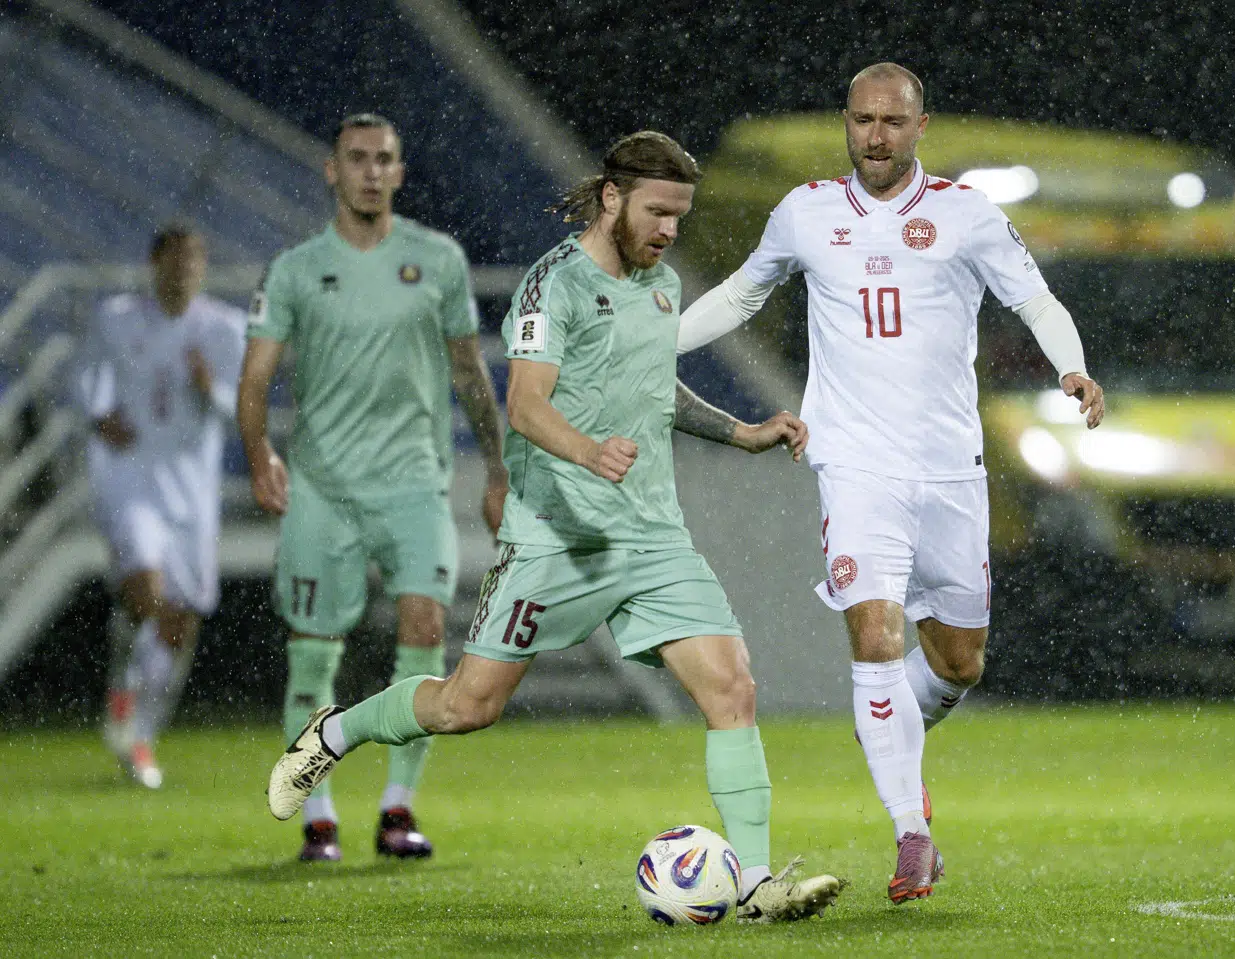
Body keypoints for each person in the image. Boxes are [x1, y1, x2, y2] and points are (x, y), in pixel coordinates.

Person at [267, 130, 845, 922]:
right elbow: (525, 405)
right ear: (612, 198)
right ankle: (338, 730)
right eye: (658, 212)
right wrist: (588, 451)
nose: (670, 230)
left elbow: (656, 388)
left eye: (680, 215)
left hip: (650, 537)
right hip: (557, 537)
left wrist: (740, 432)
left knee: (732, 688)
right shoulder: (553, 285)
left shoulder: (664, 285)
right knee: (468, 705)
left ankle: (752, 883)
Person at [676, 63, 1105, 902]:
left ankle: (891, 730)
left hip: (950, 467)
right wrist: (656, 347)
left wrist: (1074, 368)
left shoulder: (965, 215)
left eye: (892, 122)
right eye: (863, 120)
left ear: (920, 126)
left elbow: (1037, 300)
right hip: (853, 462)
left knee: (959, 662)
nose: (876, 136)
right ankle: (912, 831)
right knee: (873, 637)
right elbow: (740, 294)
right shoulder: (805, 212)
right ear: (847, 121)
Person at [239, 113, 509, 863]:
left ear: (399, 171)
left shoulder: (438, 259)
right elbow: (255, 376)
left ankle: (397, 808)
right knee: (313, 651)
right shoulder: (295, 267)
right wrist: (259, 452)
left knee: (424, 627)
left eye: (382, 159)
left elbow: (467, 370)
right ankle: (317, 813)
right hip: (322, 487)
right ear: (332, 171)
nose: (368, 171)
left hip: (415, 485)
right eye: (355, 159)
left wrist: (497, 465)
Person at [79, 224, 246, 789]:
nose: (185, 270)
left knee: (180, 618)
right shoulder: (117, 318)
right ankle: (125, 700)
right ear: (155, 263)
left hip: (192, 493)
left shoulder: (224, 328)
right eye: (175, 260)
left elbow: (239, 407)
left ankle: (141, 733)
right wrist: (98, 414)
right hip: (131, 477)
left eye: (195, 260)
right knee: (147, 591)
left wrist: (209, 390)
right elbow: (84, 376)